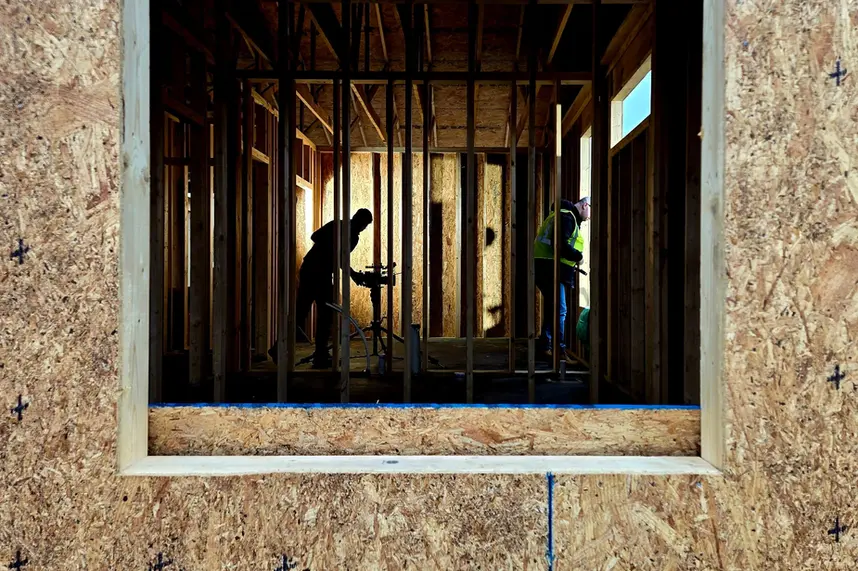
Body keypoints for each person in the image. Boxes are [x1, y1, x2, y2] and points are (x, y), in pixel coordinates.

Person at [269, 208, 373, 369]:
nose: (363, 228)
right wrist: (332, 244)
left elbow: (341, 259)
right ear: (356, 219)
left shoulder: (353, 238)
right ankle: (283, 349)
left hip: (323, 274)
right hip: (312, 271)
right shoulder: (338, 225)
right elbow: (315, 237)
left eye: (365, 226)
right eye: (363, 224)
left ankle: (319, 354)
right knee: (302, 313)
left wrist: (353, 274)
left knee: (324, 315)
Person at [533, 196, 590, 360]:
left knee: (554, 307)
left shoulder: (561, 214)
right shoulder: (567, 216)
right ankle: (559, 352)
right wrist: (578, 257)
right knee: (560, 309)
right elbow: (561, 245)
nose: (590, 216)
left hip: (544, 266)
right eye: (591, 210)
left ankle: (545, 345)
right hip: (550, 268)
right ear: (585, 205)